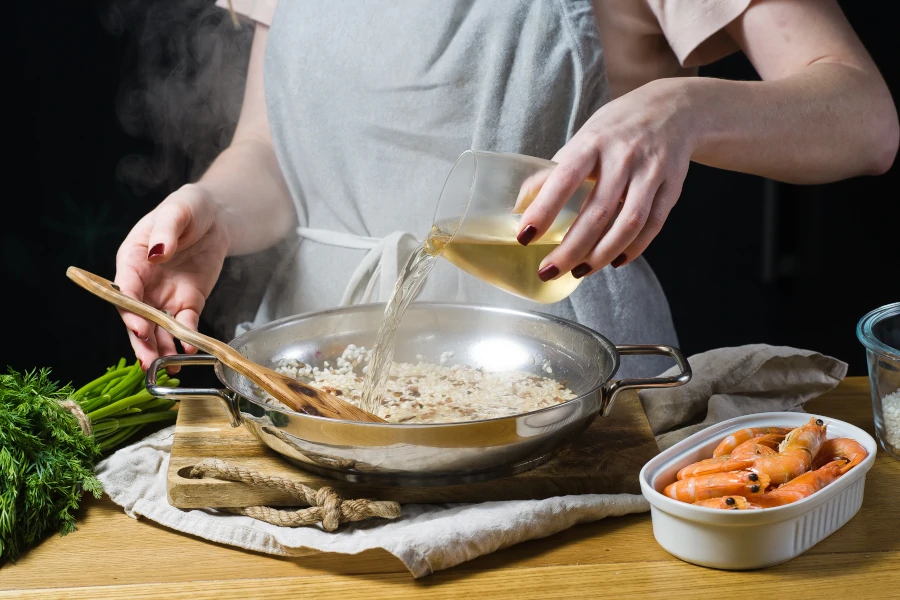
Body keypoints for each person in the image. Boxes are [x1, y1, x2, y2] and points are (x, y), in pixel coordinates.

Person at [115, 0, 898, 377]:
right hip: (317, 379)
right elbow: (272, 148)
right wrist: (215, 208)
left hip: (567, 389)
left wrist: (682, 110)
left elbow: (863, 117)